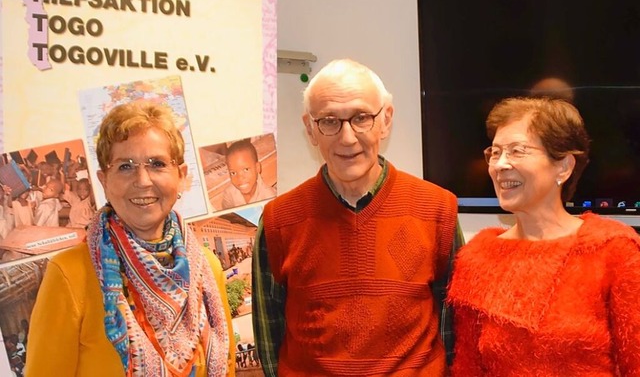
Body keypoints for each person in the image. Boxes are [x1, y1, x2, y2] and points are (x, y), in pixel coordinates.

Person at [252, 59, 462, 376]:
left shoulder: (437, 209)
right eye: (329, 122)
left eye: (361, 118)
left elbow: (453, 329)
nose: (347, 138)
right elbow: (270, 335)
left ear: (386, 120)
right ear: (310, 129)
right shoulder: (279, 219)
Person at [26, 101, 235, 376]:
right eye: (125, 166)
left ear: (181, 176)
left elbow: (227, 366)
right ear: (104, 180)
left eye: (157, 164)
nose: (143, 180)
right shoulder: (69, 275)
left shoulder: (207, 268)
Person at [448, 96, 640, 375]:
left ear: (563, 166)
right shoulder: (477, 257)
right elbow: (468, 367)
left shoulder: (613, 250)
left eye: (517, 151)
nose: (500, 164)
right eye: (496, 152)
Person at [221, 140, 276, 209]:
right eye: (233, 173)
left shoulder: (270, 197)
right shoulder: (229, 194)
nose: (240, 178)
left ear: (257, 168)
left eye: (246, 169)